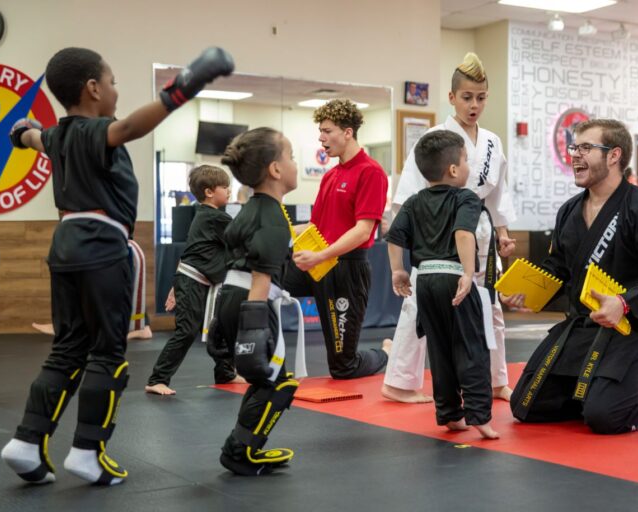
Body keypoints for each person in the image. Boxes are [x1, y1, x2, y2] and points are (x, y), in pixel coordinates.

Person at [0, 46, 234, 485]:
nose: (115, 91)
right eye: (112, 83)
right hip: (101, 245)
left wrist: (21, 132)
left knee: (68, 348)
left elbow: (30, 138)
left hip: (66, 244)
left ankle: (27, 442)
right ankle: (88, 451)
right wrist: (185, 86)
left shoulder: (56, 135)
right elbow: (129, 127)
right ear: (92, 89)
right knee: (109, 353)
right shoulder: (94, 130)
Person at [504, 118, 638, 434]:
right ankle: (595, 391)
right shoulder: (569, 211)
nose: (575, 154)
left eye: (586, 147)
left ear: (614, 155)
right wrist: (527, 287)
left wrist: (623, 303)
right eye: (574, 147)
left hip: (629, 329)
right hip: (582, 325)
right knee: (525, 406)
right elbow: (558, 267)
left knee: (603, 417)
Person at [382, 52, 516, 403]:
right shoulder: (435, 138)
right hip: (438, 229)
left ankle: (495, 379)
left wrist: (502, 232)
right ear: (452, 97)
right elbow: (408, 193)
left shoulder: (492, 142)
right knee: (420, 305)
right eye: (468, 97)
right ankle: (398, 382)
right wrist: (405, 249)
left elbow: (498, 193)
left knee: (490, 305)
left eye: (481, 98)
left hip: (481, 232)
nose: (475, 105)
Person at [387, 130, 499, 439]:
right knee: (471, 346)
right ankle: (480, 416)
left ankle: (450, 413)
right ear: (453, 169)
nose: (467, 166)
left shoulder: (414, 201)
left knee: (439, 348)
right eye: (465, 160)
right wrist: (467, 273)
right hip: (453, 276)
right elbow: (463, 234)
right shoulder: (465, 197)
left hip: (425, 281)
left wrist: (397, 271)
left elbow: (395, 237)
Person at [282, 99, 389, 379]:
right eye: (320, 131)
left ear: (347, 132)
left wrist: (321, 255)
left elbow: (363, 230)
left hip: (346, 270)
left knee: (343, 367)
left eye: (327, 130)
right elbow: (316, 225)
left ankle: (387, 352)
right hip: (318, 263)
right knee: (264, 279)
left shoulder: (371, 172)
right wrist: (278, 229)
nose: (321, 137)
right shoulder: (330, 175)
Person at [215, 127, 299, 476]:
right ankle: (242, 452)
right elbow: (262, 279)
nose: (296, 163)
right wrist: (254, 333)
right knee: (278, 383)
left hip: (233, 295)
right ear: (276, 170)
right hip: (255, 300)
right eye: (291, 156)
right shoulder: (274, 218)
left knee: (265, 379)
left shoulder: (252, 209)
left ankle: (239, 446)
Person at [145, 165, 241, 396]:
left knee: (223, 326)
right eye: (225, 187)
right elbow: (241, 236)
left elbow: (191, 252)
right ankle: (157, 379)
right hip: (192, 281)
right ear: (209, 192)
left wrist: (174, 286)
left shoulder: (204, 215)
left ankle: (226, 372)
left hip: (194, 279)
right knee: (187, 330)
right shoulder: (215, 217)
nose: (229, 191)